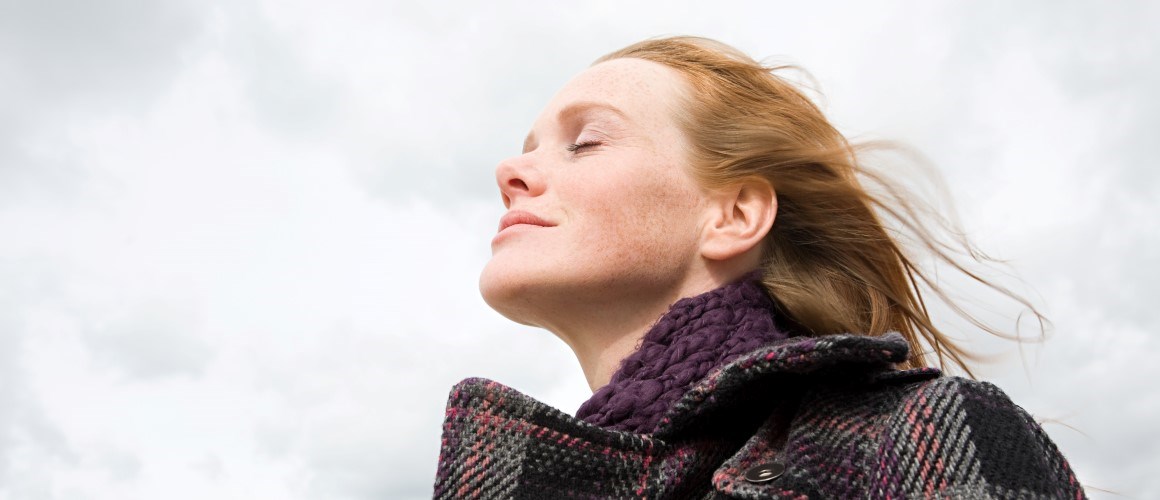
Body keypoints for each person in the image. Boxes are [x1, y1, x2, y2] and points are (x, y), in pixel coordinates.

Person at [433, 36, 1085, 499]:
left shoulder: (916, 432)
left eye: (586, 142)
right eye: (528, 148)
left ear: (735, 215)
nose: (508, 173)